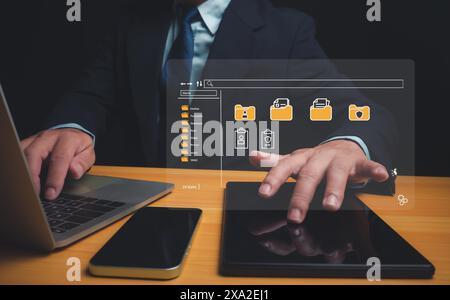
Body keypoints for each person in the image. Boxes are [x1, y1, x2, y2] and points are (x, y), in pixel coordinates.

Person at [20, 0, 396, 224]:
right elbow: (91, 95)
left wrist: (350, 142)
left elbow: (359, 108)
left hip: (245, 219)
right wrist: (72, 126)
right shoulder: (132, 24)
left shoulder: (287, 30)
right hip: (143, 213)